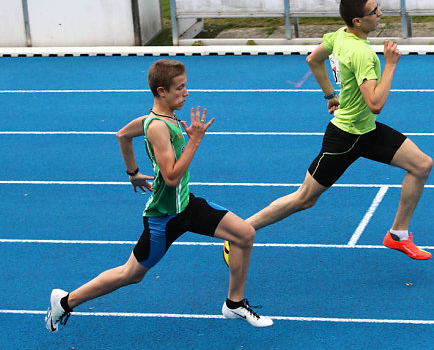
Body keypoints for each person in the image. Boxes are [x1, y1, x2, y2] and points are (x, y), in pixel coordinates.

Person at [45, 59, 273, 333]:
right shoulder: (156, 126)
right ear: (161, 91)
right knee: (131, 274)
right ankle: (65, 302)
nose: (186, 93)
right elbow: (172, 176)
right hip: (163, 219)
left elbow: (122, 135)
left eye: (185, 86)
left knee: (245, 234)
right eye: (180, 88)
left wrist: (133, 173)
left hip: (186, 206)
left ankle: (234, 303)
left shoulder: (159, 118)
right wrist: (195, 141)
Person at [224, 0, 433, 265]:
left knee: (421, 165)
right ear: (357, 21)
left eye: (378, 7)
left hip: (366, 131)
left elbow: (313, 59)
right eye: (374, 11)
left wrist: (329, 95)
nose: (380, 14)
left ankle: (397, 234)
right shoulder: (362, 54)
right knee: (304, 198)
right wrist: (391, 64)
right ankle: (237, 232)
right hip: (345, 138)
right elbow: (376, 104)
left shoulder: (339, 36)